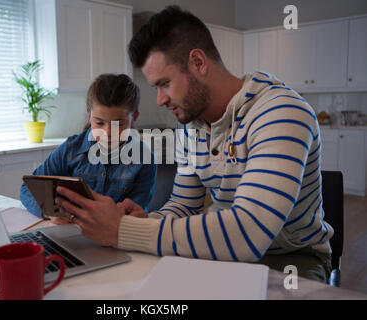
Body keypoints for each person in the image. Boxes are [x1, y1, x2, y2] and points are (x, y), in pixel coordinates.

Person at [54, 6, 333, 283]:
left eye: (164, 83)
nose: (160, 99)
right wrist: (145, 221)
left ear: (198, 63)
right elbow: (184, 205)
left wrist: (123, 230)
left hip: (291, 260)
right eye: (155, 88)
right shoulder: (190, 126)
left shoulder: (281, 113)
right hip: (222, 251)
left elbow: (248, 233)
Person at [20, 73, 157, 224]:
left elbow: (138, 212)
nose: (108, 133)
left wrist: (131, 216)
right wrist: (48, 212)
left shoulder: (145, 159)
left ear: (134, 117)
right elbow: (27, 189)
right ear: (89, 115)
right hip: (69, 234)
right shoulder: (70, 149)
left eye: (118, 124)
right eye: (99, 123)